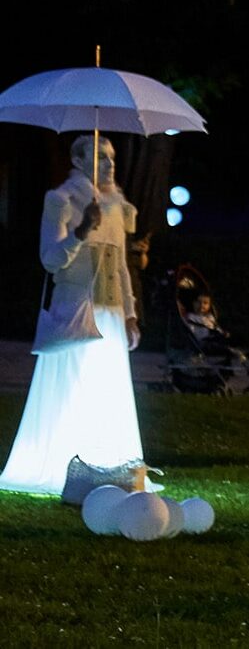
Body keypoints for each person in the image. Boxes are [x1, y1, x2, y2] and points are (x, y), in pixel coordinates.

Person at [1, 137, 146, 495]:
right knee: (74, 386)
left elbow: (122, 266)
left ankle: (110, 465)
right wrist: (81, 232)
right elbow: (51, 259)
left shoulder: (114, 205)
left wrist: (129, 312)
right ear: (79, 160)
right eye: (100, 156)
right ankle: (67, 463)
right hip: (77, 310)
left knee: (106, 391)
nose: (110, 164)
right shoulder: (61, 199)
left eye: (112, 157)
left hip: (109, 315)